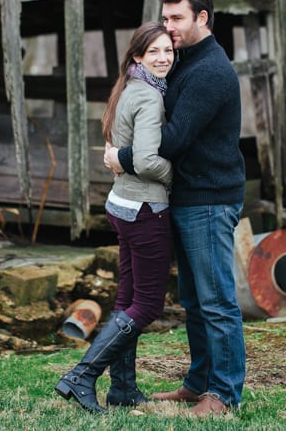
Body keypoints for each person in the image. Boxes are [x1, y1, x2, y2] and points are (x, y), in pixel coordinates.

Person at [104, 0, 247, 417]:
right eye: (165, 18)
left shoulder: (210, 71)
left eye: (176, 18)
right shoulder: (183, 60)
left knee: (217, 299)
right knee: (193, 300)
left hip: (209, 198)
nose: (168, 27)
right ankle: (198, 383)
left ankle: (222, 394)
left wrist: (123, 156)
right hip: (185, 198)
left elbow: (174, 138)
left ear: (201, 17)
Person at [55, 22, 175, 414]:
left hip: (122, 205)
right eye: (153, 51)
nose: (162, 58)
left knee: (127, 301)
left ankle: (122, 388)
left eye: (168, 51)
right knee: (148, 306)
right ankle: (83, 375)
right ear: (137, 57)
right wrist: (178, 175)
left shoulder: (128, 89)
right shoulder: (149, 97)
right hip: (144, 209)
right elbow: (144, 160)